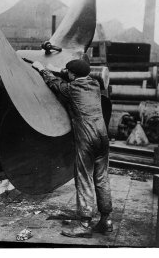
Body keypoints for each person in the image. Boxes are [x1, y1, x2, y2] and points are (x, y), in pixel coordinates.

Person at [32, 59, 113, 238]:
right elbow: (70, 75)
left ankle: (84, 224)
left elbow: (54, 83)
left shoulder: (72, 89)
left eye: (68, 72)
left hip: (87, 138)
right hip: (103, 137)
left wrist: (42, 69)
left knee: (84, 179)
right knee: (102, 178)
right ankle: (106, 221)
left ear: (72, 74)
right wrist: (60, 69)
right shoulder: (94, 84)